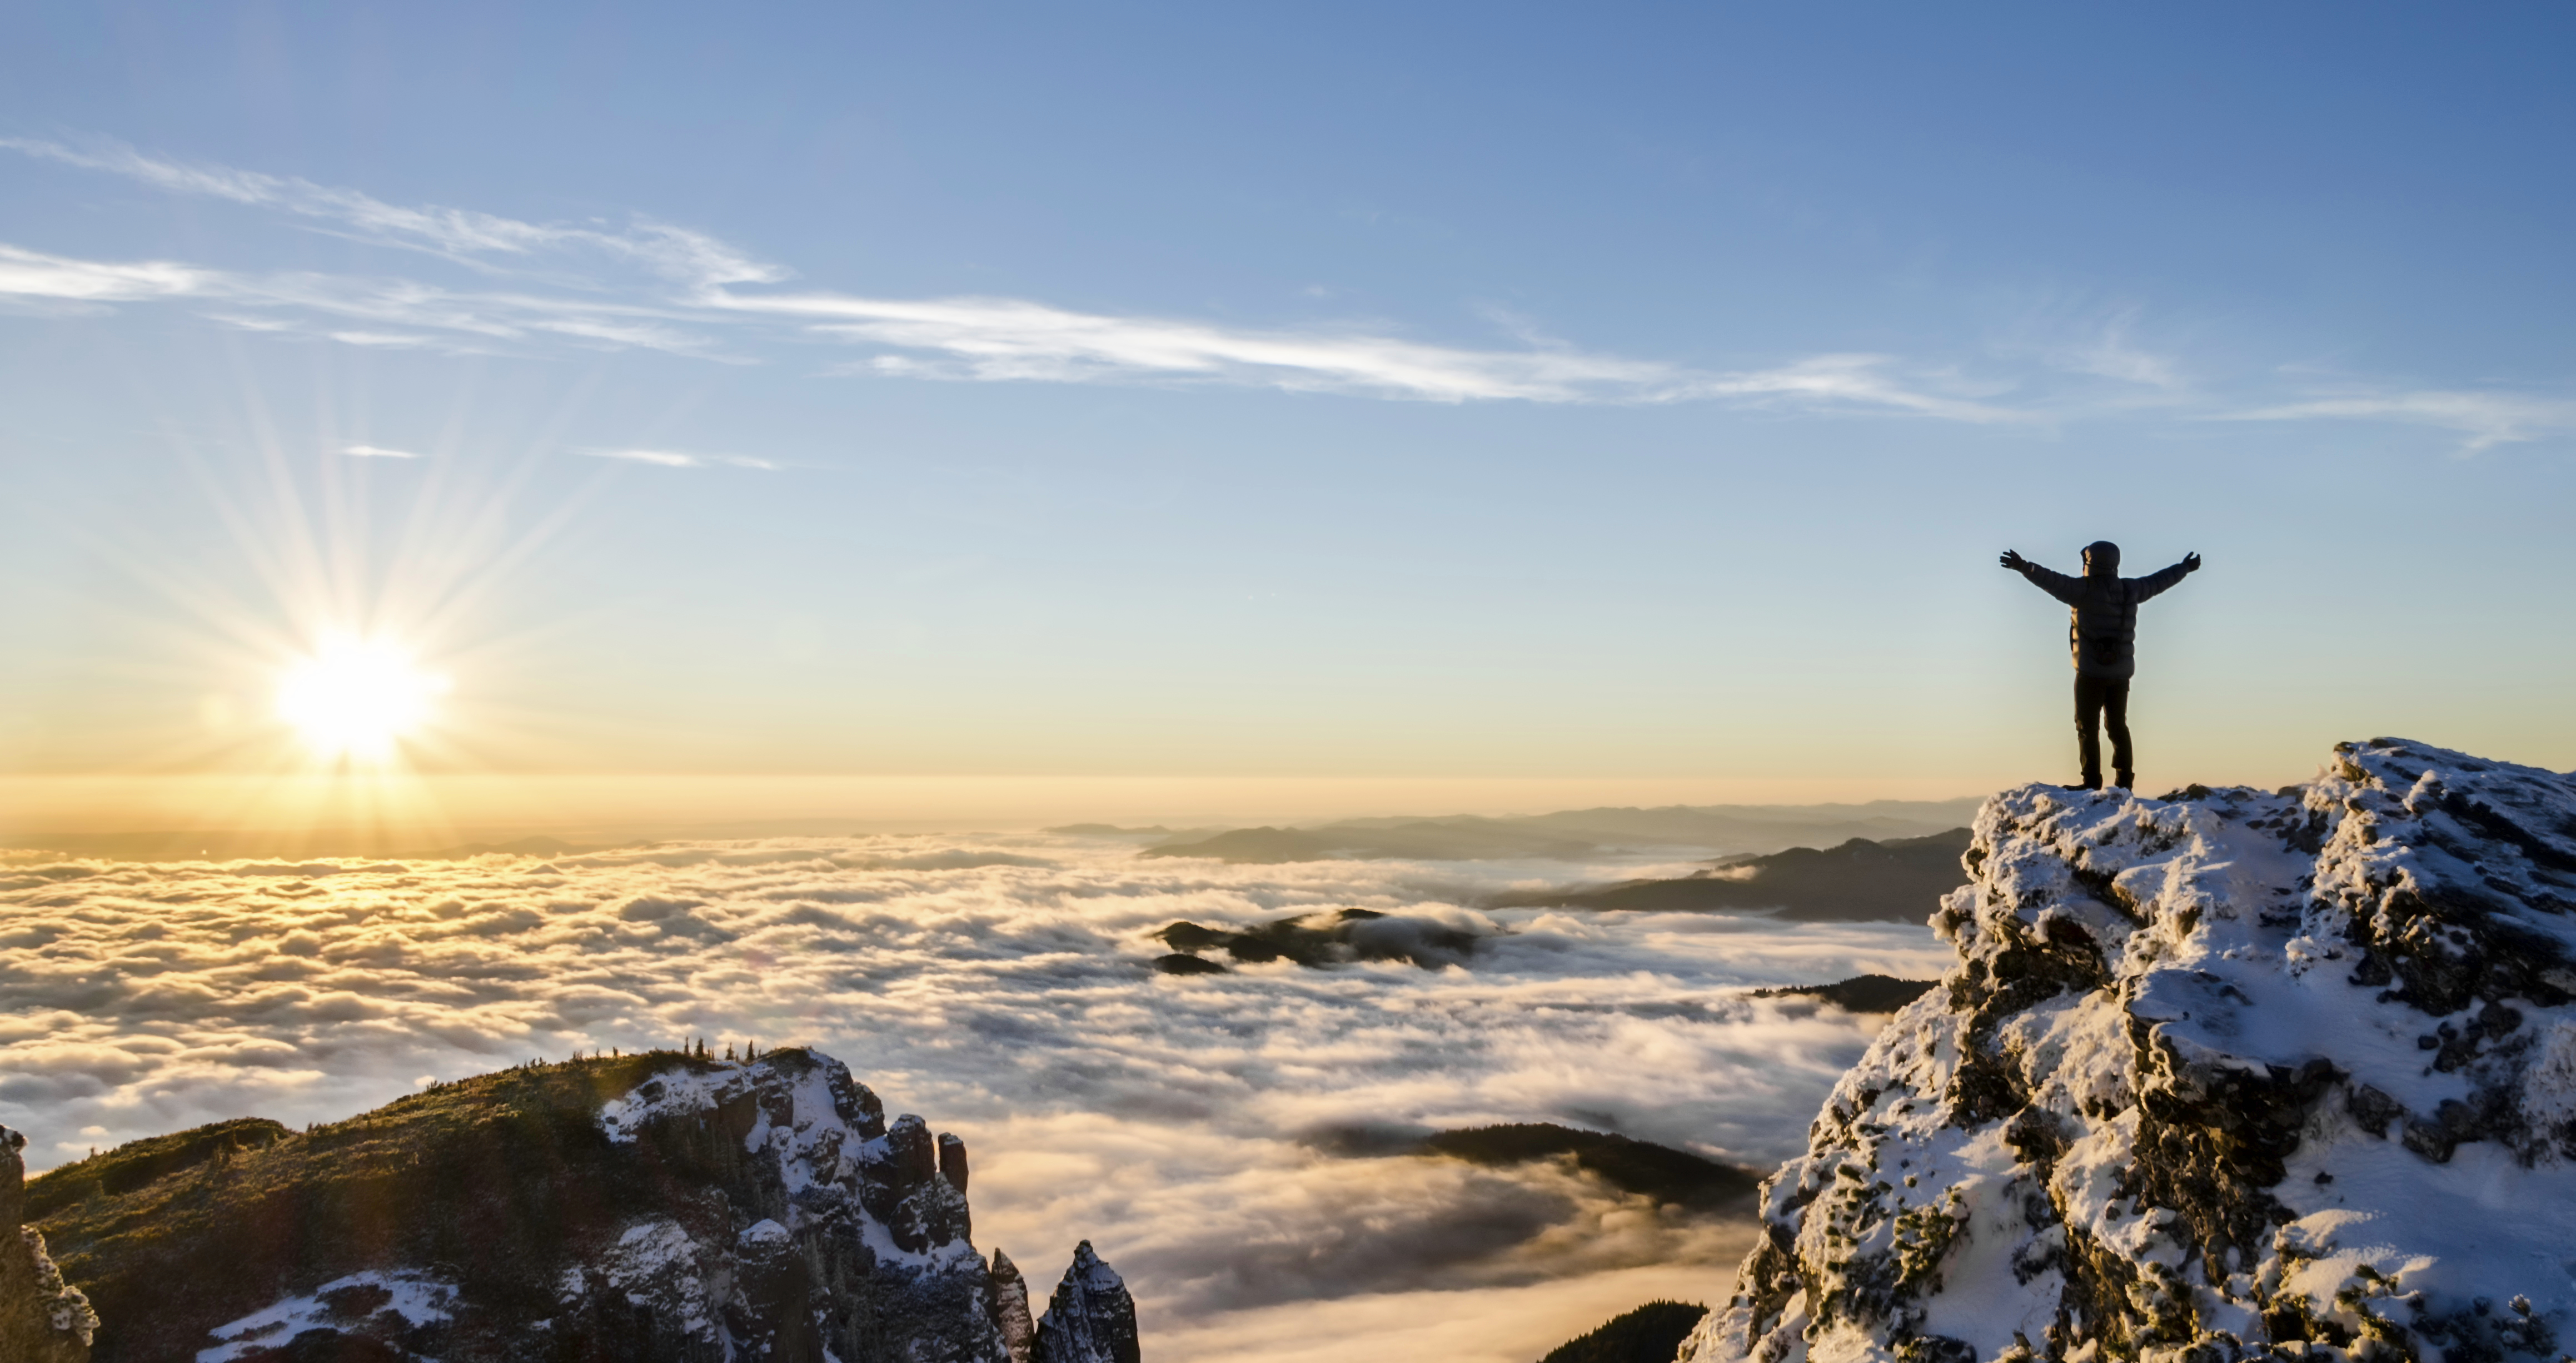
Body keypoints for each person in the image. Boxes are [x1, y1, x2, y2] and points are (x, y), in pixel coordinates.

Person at [2000, 541, 2200, 790]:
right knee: (2118, 726)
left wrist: (2023, 566)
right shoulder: (2131, 589)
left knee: (2087, 726)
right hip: (2121, 673)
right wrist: (2184, 568)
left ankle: (2092, 781)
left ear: (2089, 563)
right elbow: (2159, 581)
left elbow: (2050, 580)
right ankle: (2124, 782)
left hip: (2090, 673)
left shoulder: (2080, 590)